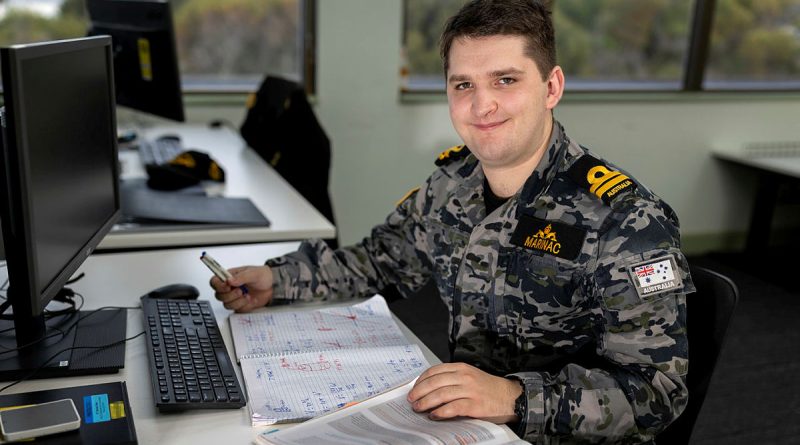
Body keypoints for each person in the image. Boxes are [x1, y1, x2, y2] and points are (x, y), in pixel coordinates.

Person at [211, 0, 694, 442]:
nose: (481, 106)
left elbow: (656, 393)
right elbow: (381, 261)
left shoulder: (625, 220)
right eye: (464, 84)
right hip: (461, 426)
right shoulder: (452, 182)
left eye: (506, 80)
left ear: (552, 87)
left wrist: (513, 397)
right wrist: (278, 280)